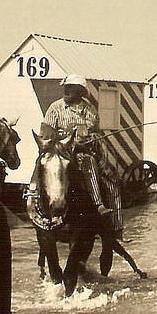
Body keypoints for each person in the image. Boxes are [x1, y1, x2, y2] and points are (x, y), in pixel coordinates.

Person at [40, 75, 114, 218]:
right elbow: (46, 132)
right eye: (66, 88)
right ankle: (34, 195)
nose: (66, 91)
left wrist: (87, 138)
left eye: (71, 88)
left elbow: (93, 133)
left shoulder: (89, 109)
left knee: (92, 164)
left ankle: (99, 204)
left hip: (81, 152)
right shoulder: (55, 108)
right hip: (58, 152)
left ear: (80, 91)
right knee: (42, 164)